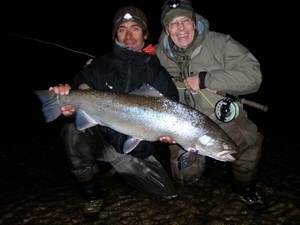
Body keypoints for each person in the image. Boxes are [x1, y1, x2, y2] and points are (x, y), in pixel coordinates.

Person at [49, 6, 179, 212]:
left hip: (134, 150)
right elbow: (75, 105)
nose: (128, 35)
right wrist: (66, 105)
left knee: (168, 196)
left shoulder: (158, 74)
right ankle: (92, 195)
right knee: (72, 132)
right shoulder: (96, 67)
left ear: (144, 34)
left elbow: (174, 113)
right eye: (122, 29)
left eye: (135, 28)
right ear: (115, 35)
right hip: (101, 141)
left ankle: (120, 172)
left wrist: (170, 135)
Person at [155, 0, 266, 211]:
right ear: (166, 29)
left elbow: (254, 76)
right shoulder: (157, 54)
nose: (181, 28)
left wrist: (207, 79)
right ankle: (193, 204)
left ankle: (245, 190)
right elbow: (130, 72)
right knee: (185, 175)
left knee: (245, 150)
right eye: (173, 24)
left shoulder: (221, 43)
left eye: (185, 21)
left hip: (222, 118)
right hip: (181, 125)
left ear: (194, 23)